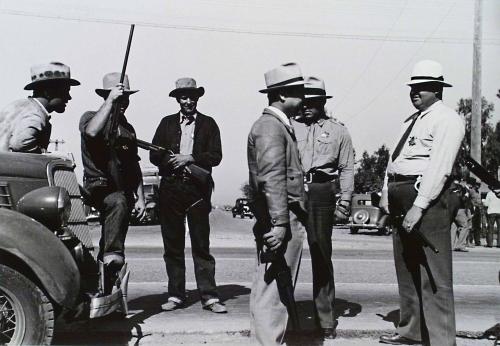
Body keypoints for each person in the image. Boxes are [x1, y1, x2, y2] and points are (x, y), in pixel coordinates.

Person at [379, 60, 465, 345]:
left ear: (438, 89)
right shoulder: (412, 120)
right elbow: (395, 161)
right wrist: (385, 194)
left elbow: (440, 166)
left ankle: (441, 339)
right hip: (401, 192)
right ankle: (411, 331)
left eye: (424, 87)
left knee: (434, 271)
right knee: (406, 266)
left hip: (426, 196)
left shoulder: (447, 119)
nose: (416, 92)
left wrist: (420, 205)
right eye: (413, 87)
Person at [150, 78, 225, 313]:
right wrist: (171, 161)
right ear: (177, 99)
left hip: (197, 190)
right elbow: (154, 155)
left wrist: (190, 158)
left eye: (192, 97)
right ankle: (176, 295)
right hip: (171, 188)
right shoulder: (166, 123)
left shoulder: (209, 124)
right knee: (172, 245)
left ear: (198, 98)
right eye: (184, 97)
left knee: (201, 245)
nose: (188, 101)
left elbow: (216, 156)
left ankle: (209, 297)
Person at [247, 62, 307, 345]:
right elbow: (272, 179)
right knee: (273, 291)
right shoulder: (271, 127)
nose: (303, 98)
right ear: (282, 94)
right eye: (299, 92)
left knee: (271, 289)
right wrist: (281, 224)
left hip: (278, 216)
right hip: (281, 218)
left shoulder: (276, 125)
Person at [293, 76, 354, 339]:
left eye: (313, 102)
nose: (307, 107)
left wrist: (345, 202)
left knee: (320, 254)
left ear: (322, 103)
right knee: (286, 254)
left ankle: (325, 318)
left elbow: (347, 168)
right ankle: (286, 317)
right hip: (294, 191)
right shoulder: (290, 127)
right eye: (303, 102)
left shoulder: (338, 130)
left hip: (321, 192)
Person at [80, 72, 145, 291]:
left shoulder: (128, 129)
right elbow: (91, 132)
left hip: (120, 191)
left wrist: (141, 199)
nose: (123, 102)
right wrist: (111, 101)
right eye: (119, 97)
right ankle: (111, 258)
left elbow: (134, 166)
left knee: (120, 205)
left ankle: (107, 280)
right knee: (117, 202)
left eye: (126, 97)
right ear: (107, 96)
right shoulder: (90, 116)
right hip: (96, 186)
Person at [0, 61, 79, 153]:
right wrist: (43, 153)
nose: (69, 97)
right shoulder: (36, 114)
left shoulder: (20, 106)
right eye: (65, 91)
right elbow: (20, 143)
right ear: (48, 92)